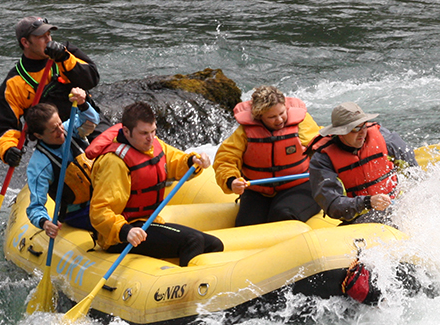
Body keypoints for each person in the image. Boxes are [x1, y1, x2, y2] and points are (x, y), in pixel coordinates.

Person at [86, 102, 224, 267]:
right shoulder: (114, 162)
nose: (150, 138)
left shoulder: (154, 145)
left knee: (214, 244)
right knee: (192, 240)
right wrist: (125, 231)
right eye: (144, 133)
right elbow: (100, 211)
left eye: (153, 131)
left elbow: (176, 161)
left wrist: (193, 160)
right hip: (122, 235)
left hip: (148, 223)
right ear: (127, 132)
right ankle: (187, 281)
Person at [0, 15, 100, 168]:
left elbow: (92, 79)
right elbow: (5, 128)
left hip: (87, 122)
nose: (48, 40)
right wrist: (8, 149)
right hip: (54, 139)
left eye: (49, 34)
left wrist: (64, 58)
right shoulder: (14, 83)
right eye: (41, 37)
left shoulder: (66, 52)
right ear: (25, 42)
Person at [214, 85, 321, 227]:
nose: (279, 120)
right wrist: (231, 181)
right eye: (272, 117)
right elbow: (225, 158)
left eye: (282, 113)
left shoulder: (302, 123)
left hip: (299, 185)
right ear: (260, 117)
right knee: (246, 225)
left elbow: (321, 146)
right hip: (258, 190)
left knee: (283, 214)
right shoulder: (244, 132)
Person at [307, 102, 417, 225]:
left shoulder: (384, 137)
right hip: (359, 217)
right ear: (340, 133)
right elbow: (333, 204)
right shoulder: (323, 159)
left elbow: (413, 169)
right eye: (355, 128)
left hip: (397, 206)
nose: (362, 132)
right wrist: (367, 202)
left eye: (363, 125)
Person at [23, 91, 101, 235]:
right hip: (79, 214)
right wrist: (45, 222)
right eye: (54, 130)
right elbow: (35, 207)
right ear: (39, 135)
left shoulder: (70, 129)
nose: (61, 131)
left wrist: (83, 104)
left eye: (60, 124)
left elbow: (92, 121)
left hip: (104, 197)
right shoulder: (40, 164)